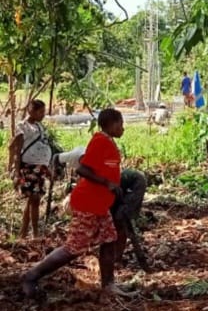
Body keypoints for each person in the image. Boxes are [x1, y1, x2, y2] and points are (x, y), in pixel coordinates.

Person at [21, 109, 136, 297]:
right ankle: (31, 276)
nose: (123, 128)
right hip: (88, 203)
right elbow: (83, 169)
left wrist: (113, 186)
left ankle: (108, 285)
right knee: (74, 247)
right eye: (121, 124)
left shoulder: (108, 142)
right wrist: (107, 183)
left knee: (109, 239)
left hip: (100, 204)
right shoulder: (99, 141)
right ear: (112, 124)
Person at [8, 100, 52, 238]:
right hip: (29, 168)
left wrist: (47, 166)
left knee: (33, 200)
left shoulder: (39, 126)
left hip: (39, 168)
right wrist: (15, 172)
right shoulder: (22, 127)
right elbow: (16, 149)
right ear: (30, 111)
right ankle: (35, 233)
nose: (43, 115)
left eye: (44, 112)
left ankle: (23, 232)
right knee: (34, 199)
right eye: (40, 112)